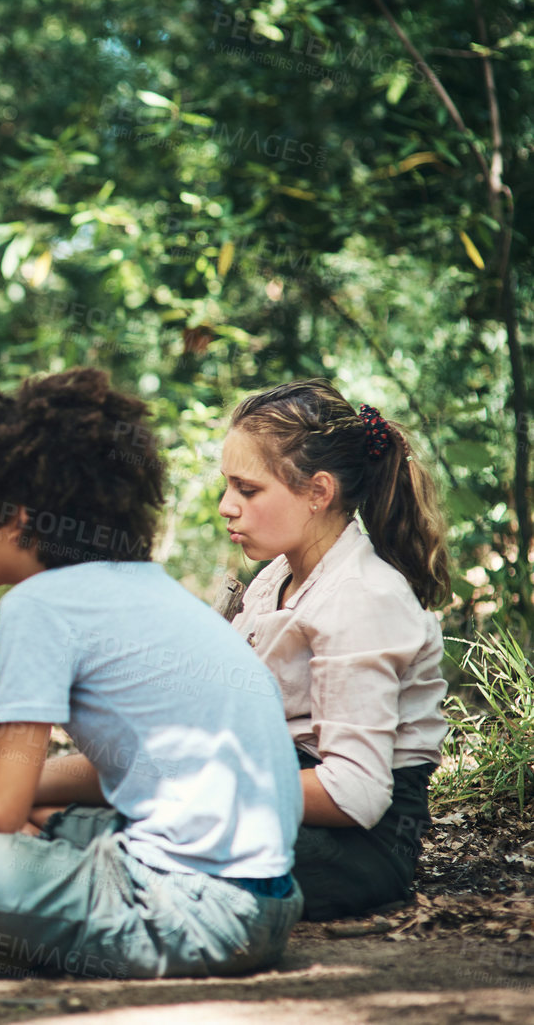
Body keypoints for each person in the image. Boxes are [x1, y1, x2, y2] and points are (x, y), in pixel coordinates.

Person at [0, 368, 304, 980]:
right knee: (38, 818)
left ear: (15, 518)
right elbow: (124, 765)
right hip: (266, 906)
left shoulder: (38, 607)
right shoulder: (149, 590)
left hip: (187, 913)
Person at [220, 379, 450, 920]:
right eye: (227, 486)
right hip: (282, 793)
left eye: (247, 490)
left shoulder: (362, 596)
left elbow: (355, 791)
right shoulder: (277, 577)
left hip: (352, 849)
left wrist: (211, 789)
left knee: (146, 836)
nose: (227, 506)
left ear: (318, 492)